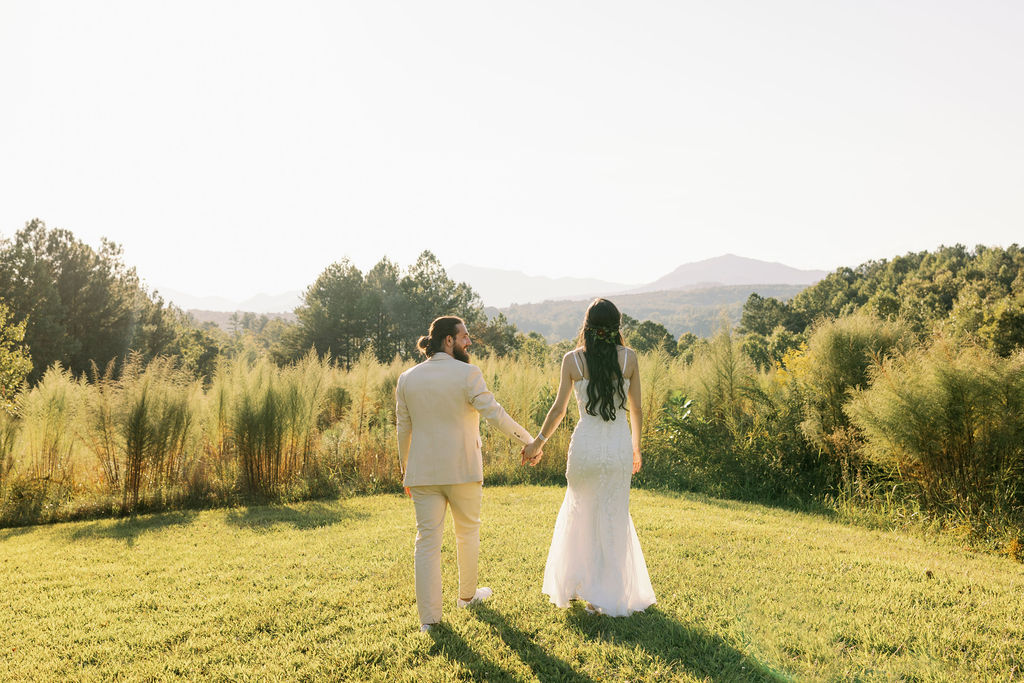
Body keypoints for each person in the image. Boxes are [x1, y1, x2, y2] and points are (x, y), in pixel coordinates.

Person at [396, 315, 534, 633]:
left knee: (426, 542)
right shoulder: (467, 374)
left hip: (422, 474)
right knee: (467, 533)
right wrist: (529, 440)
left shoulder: (407, 378)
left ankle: (429, 621)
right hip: (463, 470)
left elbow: (403, 428)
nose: (468, 342)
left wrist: (407, 470)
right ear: (449, 340)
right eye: (464, 336)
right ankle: (467, 598)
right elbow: (495, 414)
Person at [523, 298, 656, 616]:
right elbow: (636, 409)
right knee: (612, 517)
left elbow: (558, 410)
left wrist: (538, 443)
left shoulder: (572, 360)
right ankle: (604, 595)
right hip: (617, 446)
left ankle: (575, 586)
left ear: (586, 326)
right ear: (617, 328)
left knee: (580, 514)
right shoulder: (630, 360)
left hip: (585, 447)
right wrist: (636, 447)